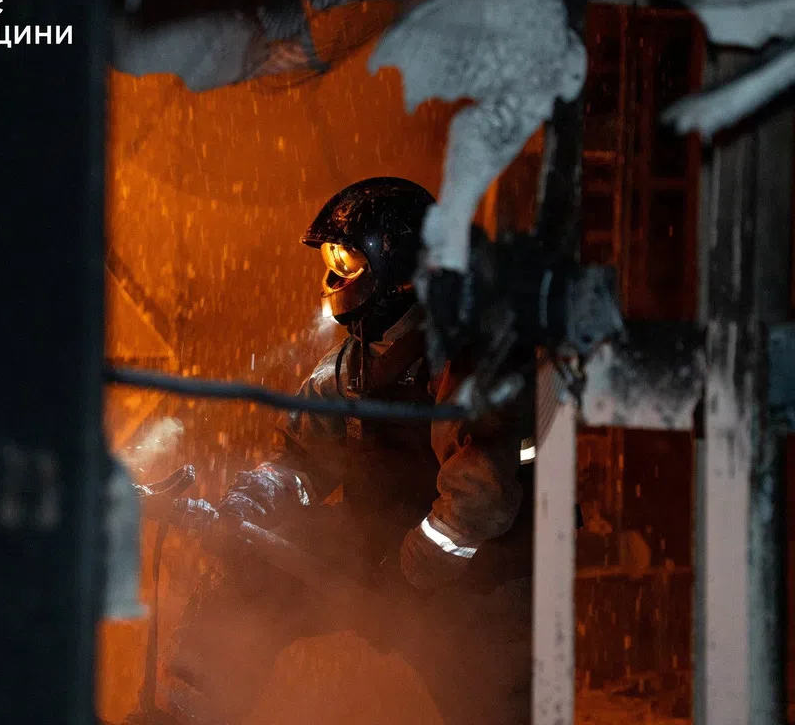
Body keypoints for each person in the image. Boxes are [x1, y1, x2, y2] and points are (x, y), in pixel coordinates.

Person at [157, 177, 536, 725]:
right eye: (332, 258)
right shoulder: (351, 363)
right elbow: (302, 456)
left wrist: (412, 570)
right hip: (379, 551)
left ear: (398, 270)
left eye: (349, 260)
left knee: (491, 691)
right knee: (248, 571)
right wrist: (257, 498)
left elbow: (483, 497)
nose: (334, 275)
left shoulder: (464, 358)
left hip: (479, 575)